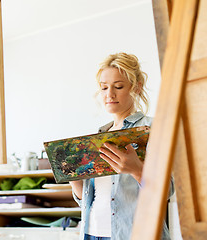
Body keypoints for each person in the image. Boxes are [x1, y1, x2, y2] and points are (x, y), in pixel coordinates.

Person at [70, 52, 174, 240]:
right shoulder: (97, 137)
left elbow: (169, 190)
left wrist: (137, 170)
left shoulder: (153, 128)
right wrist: (73, 179)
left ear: (137, 87)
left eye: (118, 86)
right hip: (92, 233)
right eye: (104, 88)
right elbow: (88, 200)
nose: (109, 94)